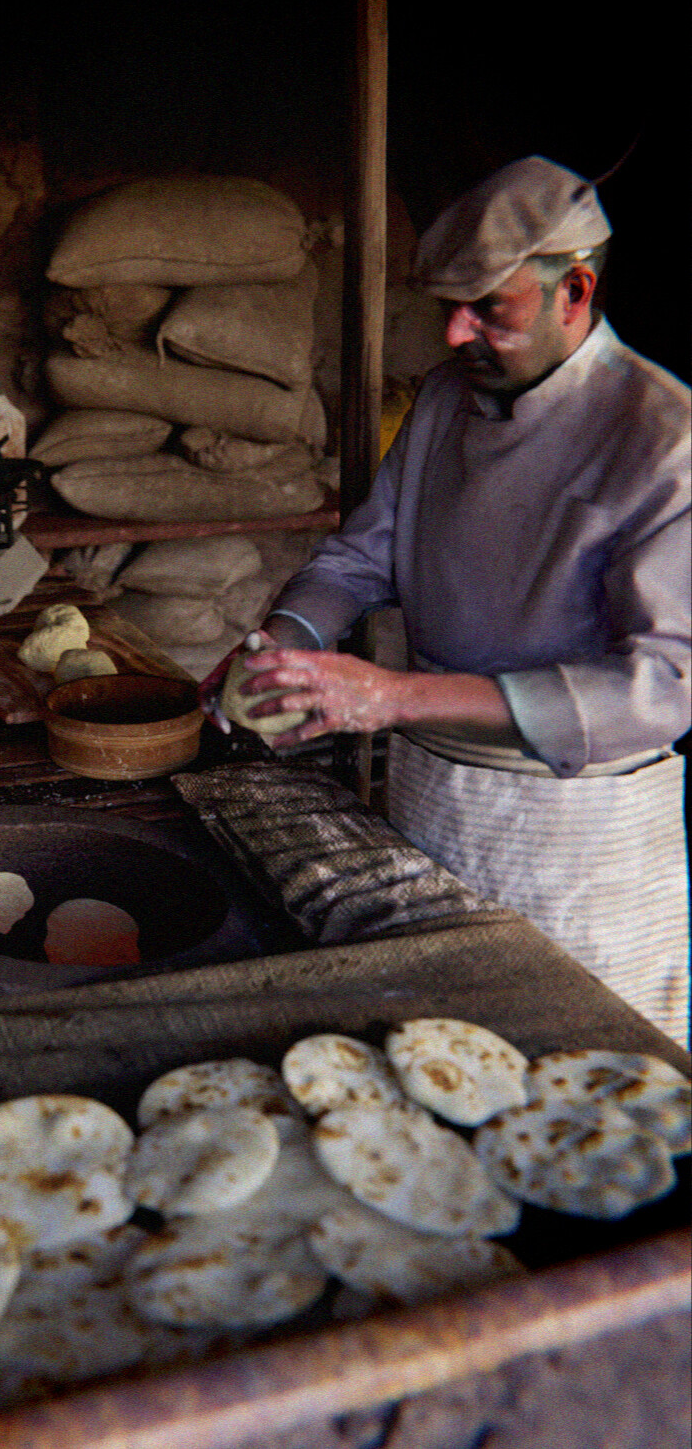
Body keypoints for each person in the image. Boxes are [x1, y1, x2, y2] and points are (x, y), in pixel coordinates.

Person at [201, 156, 691, 1046]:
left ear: (573, 290)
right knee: (432, 1069)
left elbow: (661, 688)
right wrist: (281, 641)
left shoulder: (663, 435)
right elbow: (360, 556)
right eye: (447, 310)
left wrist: (387, 697)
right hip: (429, 803)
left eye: (489, 309)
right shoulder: (441, 400)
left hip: (575, 837)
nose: (456, 334)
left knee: (579, 1093)